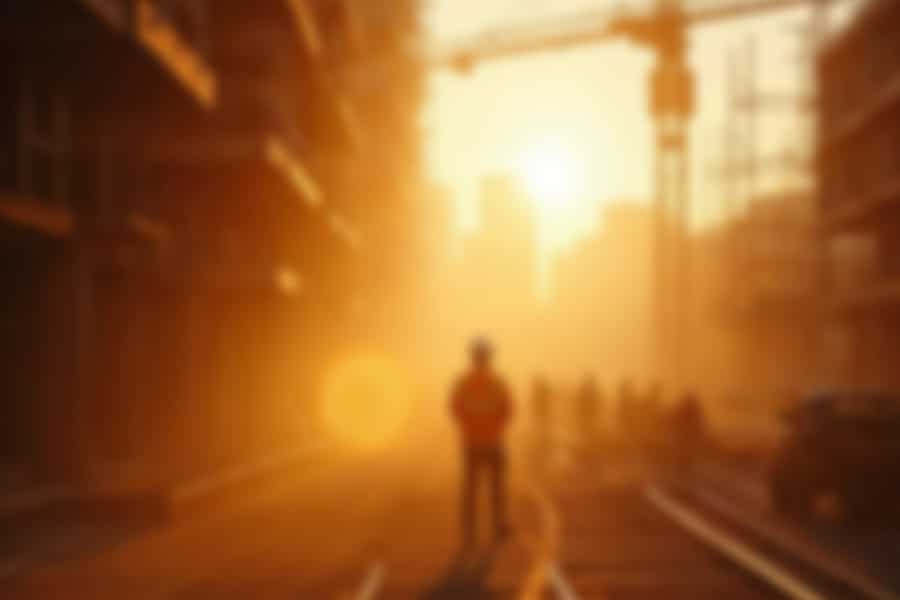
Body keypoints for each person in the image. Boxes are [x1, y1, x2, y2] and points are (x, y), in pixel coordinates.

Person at [450, 338, 514, 547]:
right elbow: (508, 409)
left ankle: (469, 534)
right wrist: (496, 429)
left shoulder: (463, 383)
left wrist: (468, 428)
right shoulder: (497, 383)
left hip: (471, 443)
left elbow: (455, 409)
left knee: (470, 489)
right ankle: (498, 528)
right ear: (489, 358)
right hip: (493, 442)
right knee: (496, 489)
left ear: (472, 357)